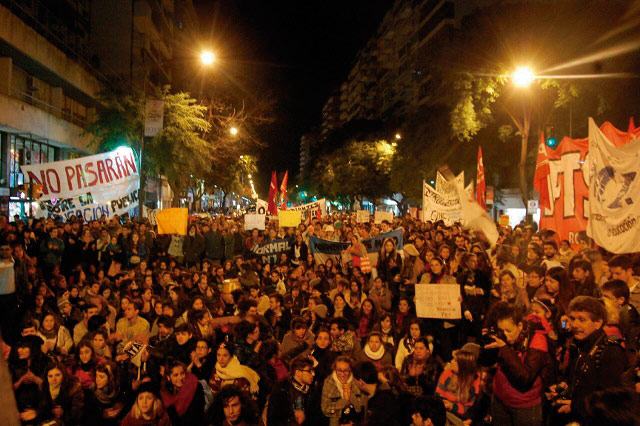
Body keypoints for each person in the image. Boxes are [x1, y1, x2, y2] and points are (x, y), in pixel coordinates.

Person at [549, 296, 629, 424]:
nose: (575, 325)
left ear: (598, 322)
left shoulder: (610, 351)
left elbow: (610, 399)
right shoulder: (578, 345)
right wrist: (564, 387)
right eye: (572, 319)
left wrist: (576, 407)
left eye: (582, 320)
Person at [485, 302, 554, 426]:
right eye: (502, 330)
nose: (505, 335)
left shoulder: (537, 340)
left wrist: (504, 349)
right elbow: (486, 361)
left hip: (524, 406)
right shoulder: (505, 339)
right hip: (499, 399)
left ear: (520, 325)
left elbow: (525, 377)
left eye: (508, 330)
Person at [435, 345, 481, 421]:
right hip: (444, 412)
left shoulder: (474, 380)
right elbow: (438, 395)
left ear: (463, 365)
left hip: (462, 417)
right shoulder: (447, 373)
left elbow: (469, 408)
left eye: (455, 360)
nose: (451, 361)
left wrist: (452, 406)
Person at [268, 355, 316, 425]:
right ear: (298, 373)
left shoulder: (312, 389)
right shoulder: (282, 389)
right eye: (309, 371)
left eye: (313, 370)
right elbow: (274, 418)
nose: (313, 374)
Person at [321, 356, 367, 426]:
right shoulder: (329, 383)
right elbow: (325, 409)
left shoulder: (357, 382)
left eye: (345, 371)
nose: (342, 374)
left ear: (350, 370)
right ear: (334, 369)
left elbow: (362, 408)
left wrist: (350, 395)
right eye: (339, 370)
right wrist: (345, 401)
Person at [38, 361, 85, 425]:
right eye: (50, 376)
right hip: (49, 421)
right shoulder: (43, 387)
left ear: (63, 375)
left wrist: (64, 412)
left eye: (57, 375)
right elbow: (42, 408)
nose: (53, 379)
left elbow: (77, 412)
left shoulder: (74, 387)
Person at [161, 359, 205, 425]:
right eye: (175, 375)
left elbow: (199, 411)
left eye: (182, 373)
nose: (180, 378)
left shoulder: (194, 384)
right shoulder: (167, 395)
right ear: (168, 377)